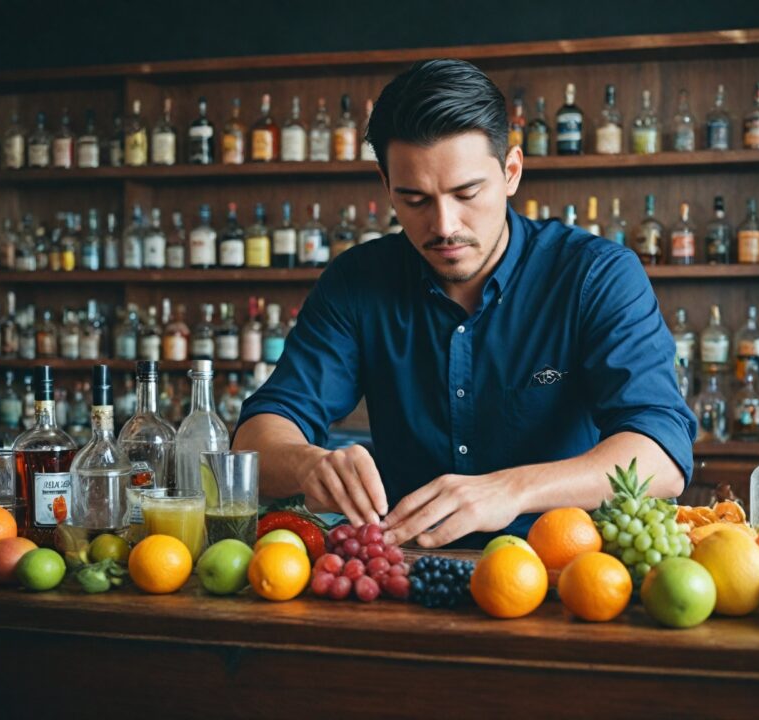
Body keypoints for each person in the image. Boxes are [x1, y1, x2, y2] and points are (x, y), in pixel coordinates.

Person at [233, 59, 696, 548]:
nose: (444, 225)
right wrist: (311, 464)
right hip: (403, 574)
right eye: (414, 200)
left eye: (467, 192)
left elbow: (661, 456)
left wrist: (511, 490)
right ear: (386, 186)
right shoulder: (357, 282)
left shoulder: (596, 275)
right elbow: (255, 441)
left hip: (563, 573)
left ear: (511, 171)